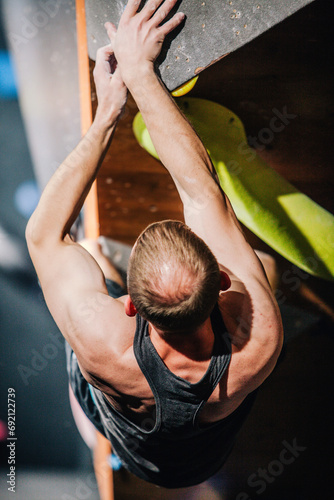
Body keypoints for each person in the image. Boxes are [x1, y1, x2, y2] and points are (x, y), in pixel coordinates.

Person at [26, 0, 283, 491]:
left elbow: (43, 234)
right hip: (206, 454)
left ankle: (111, 449)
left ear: (126, 305)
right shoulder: (260, 341)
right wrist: (143, 72)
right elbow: (200, 190)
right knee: (267, 268)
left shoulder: (101, 337)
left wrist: (109, 113)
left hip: (125, 424)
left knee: (92, 248)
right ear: (222, 281)